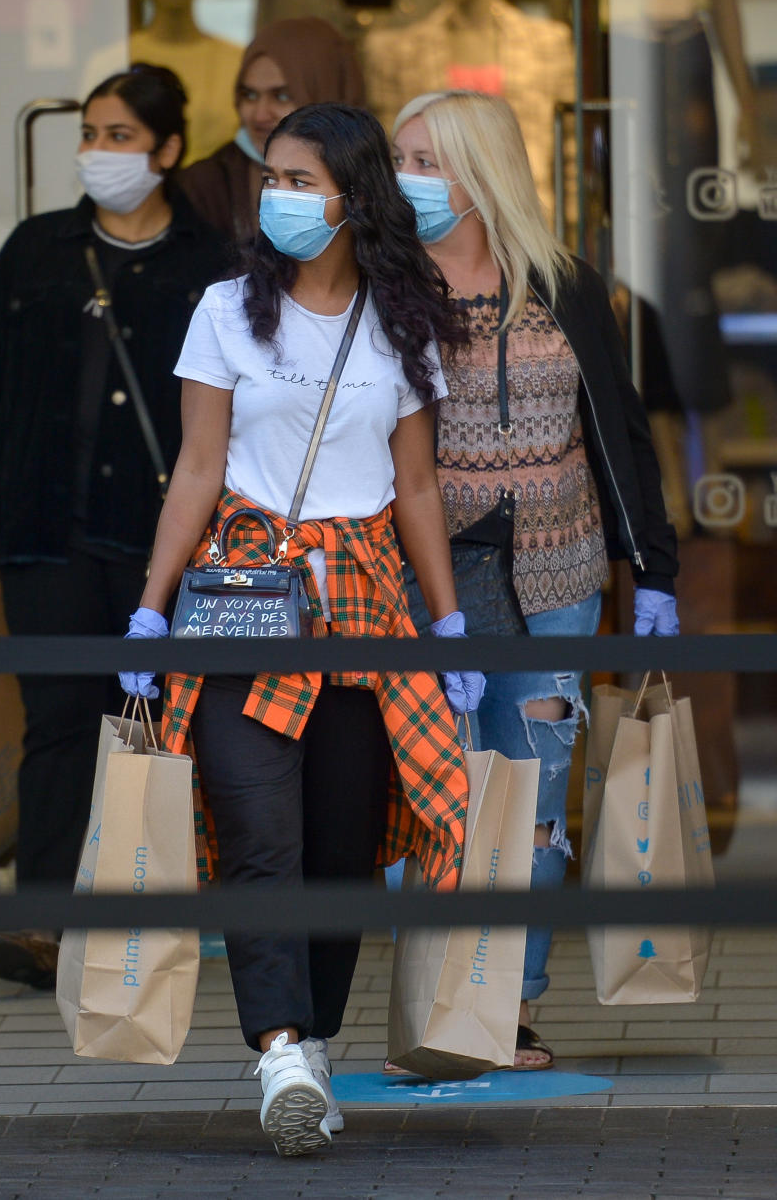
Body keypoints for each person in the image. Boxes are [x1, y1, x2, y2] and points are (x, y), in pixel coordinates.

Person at [119, 102, 482, 1156]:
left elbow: (416, 485)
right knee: (257, 833)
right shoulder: (227, 309)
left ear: (354, 198)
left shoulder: (403, 321)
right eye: (269, 178)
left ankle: (312, 1044)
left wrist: (449, 623)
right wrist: (153, 603)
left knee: (339, 847)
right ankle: (276, 1048)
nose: (276, 197)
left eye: (298, 180)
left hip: (365, 604)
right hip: (243, 594)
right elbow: (196, 465)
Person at [0, 65, 231, 989]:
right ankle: (46, 923)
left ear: (168, 151)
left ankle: (148, 920)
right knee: (55, 724)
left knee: (155, 725)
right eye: (91, 132)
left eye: (121, 135)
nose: (99, 151)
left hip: (158, 533)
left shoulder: (210, 266)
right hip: (43, 527)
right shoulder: (37, 249)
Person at [391, 89, 679, 1069]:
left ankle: (510, 1005)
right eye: (402, 158)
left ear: (479, 171)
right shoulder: (386, 287)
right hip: (423, 582)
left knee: (537, 803)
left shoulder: (561, 281)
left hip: (557, 574)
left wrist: (653, 571)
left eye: (424, 159)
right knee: (429, 794)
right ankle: (435, 994)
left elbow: (619, 432)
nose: (406, 179)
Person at [178, 16, 365, 247]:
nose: (259, 115)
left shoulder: (372, 183)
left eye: (282, 96)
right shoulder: (203, 186)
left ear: (327, 92)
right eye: (250, 95)